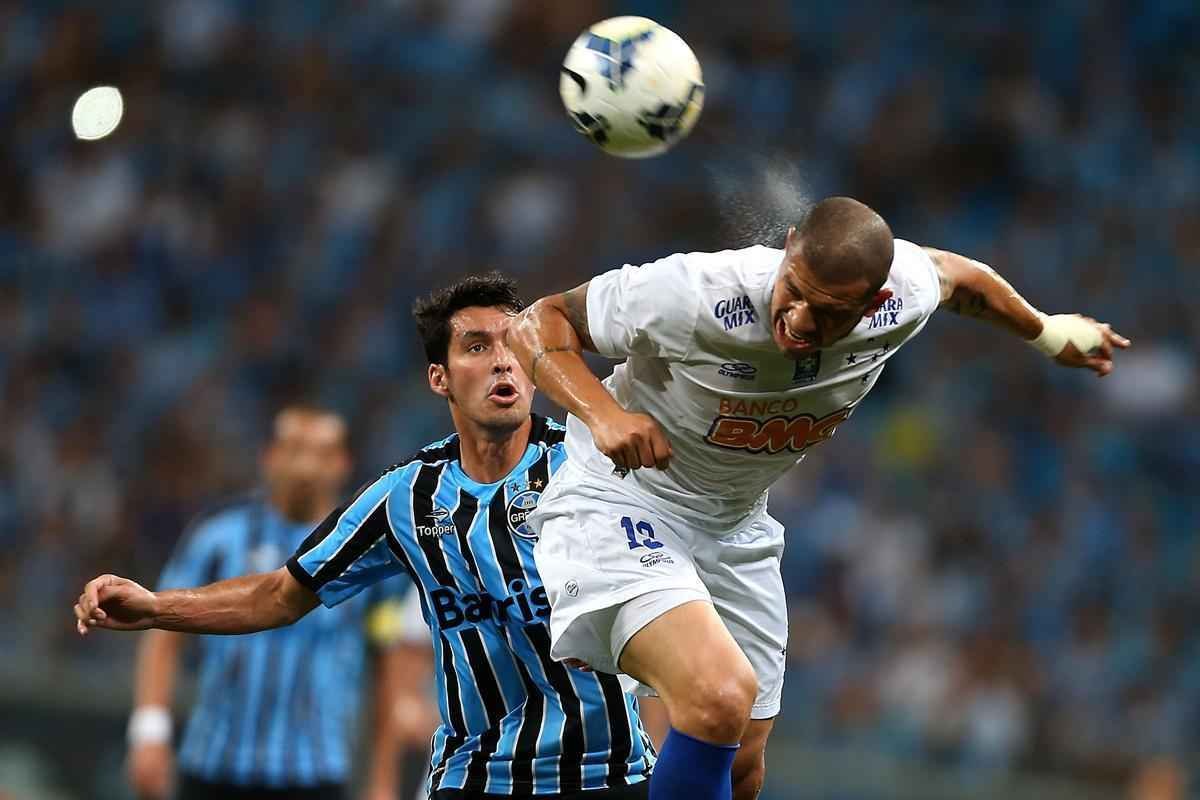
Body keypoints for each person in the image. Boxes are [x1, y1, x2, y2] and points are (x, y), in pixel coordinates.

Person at [506, 196, 1131, 800]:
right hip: (624, 502)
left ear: (877, 302)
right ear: (785, 253)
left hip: (734, 526)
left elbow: (958, 277)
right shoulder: (696, 293)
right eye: (794, 291)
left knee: (742, 769)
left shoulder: (904, 297)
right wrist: (604, 412)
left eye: (828, 311)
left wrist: (1046, 331)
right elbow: (540, 322)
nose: (799, 321)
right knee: (719, 695)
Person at [74, 273, 656, 800]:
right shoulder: (404, 498)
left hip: (609, 774)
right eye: (478, 347)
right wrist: (155, 607)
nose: (503, 362)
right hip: (475, 777)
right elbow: (281, 594)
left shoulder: (589, 467)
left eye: (514, 345)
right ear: (440, 378)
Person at [125, 405, 412, 800]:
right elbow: (162, 635)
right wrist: (150, 730)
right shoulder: (217, 539)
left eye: (321, 453)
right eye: (294, 449)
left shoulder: (365, 551)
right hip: (213, 765)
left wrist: (383, 779)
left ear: (343, 464)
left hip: (313, 775)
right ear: (269, 456)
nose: (306, 467)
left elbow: (387, 662)